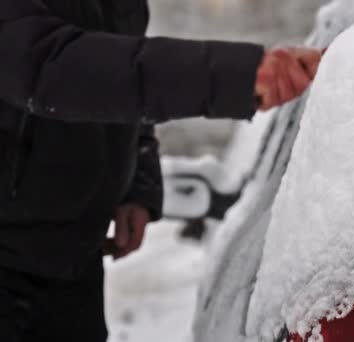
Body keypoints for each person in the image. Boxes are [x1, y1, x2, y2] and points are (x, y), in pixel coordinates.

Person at [0, 0, 322, 341]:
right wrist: (236, 76)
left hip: (74, 259)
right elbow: (51, 65)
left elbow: (120, 65)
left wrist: (137, 183)